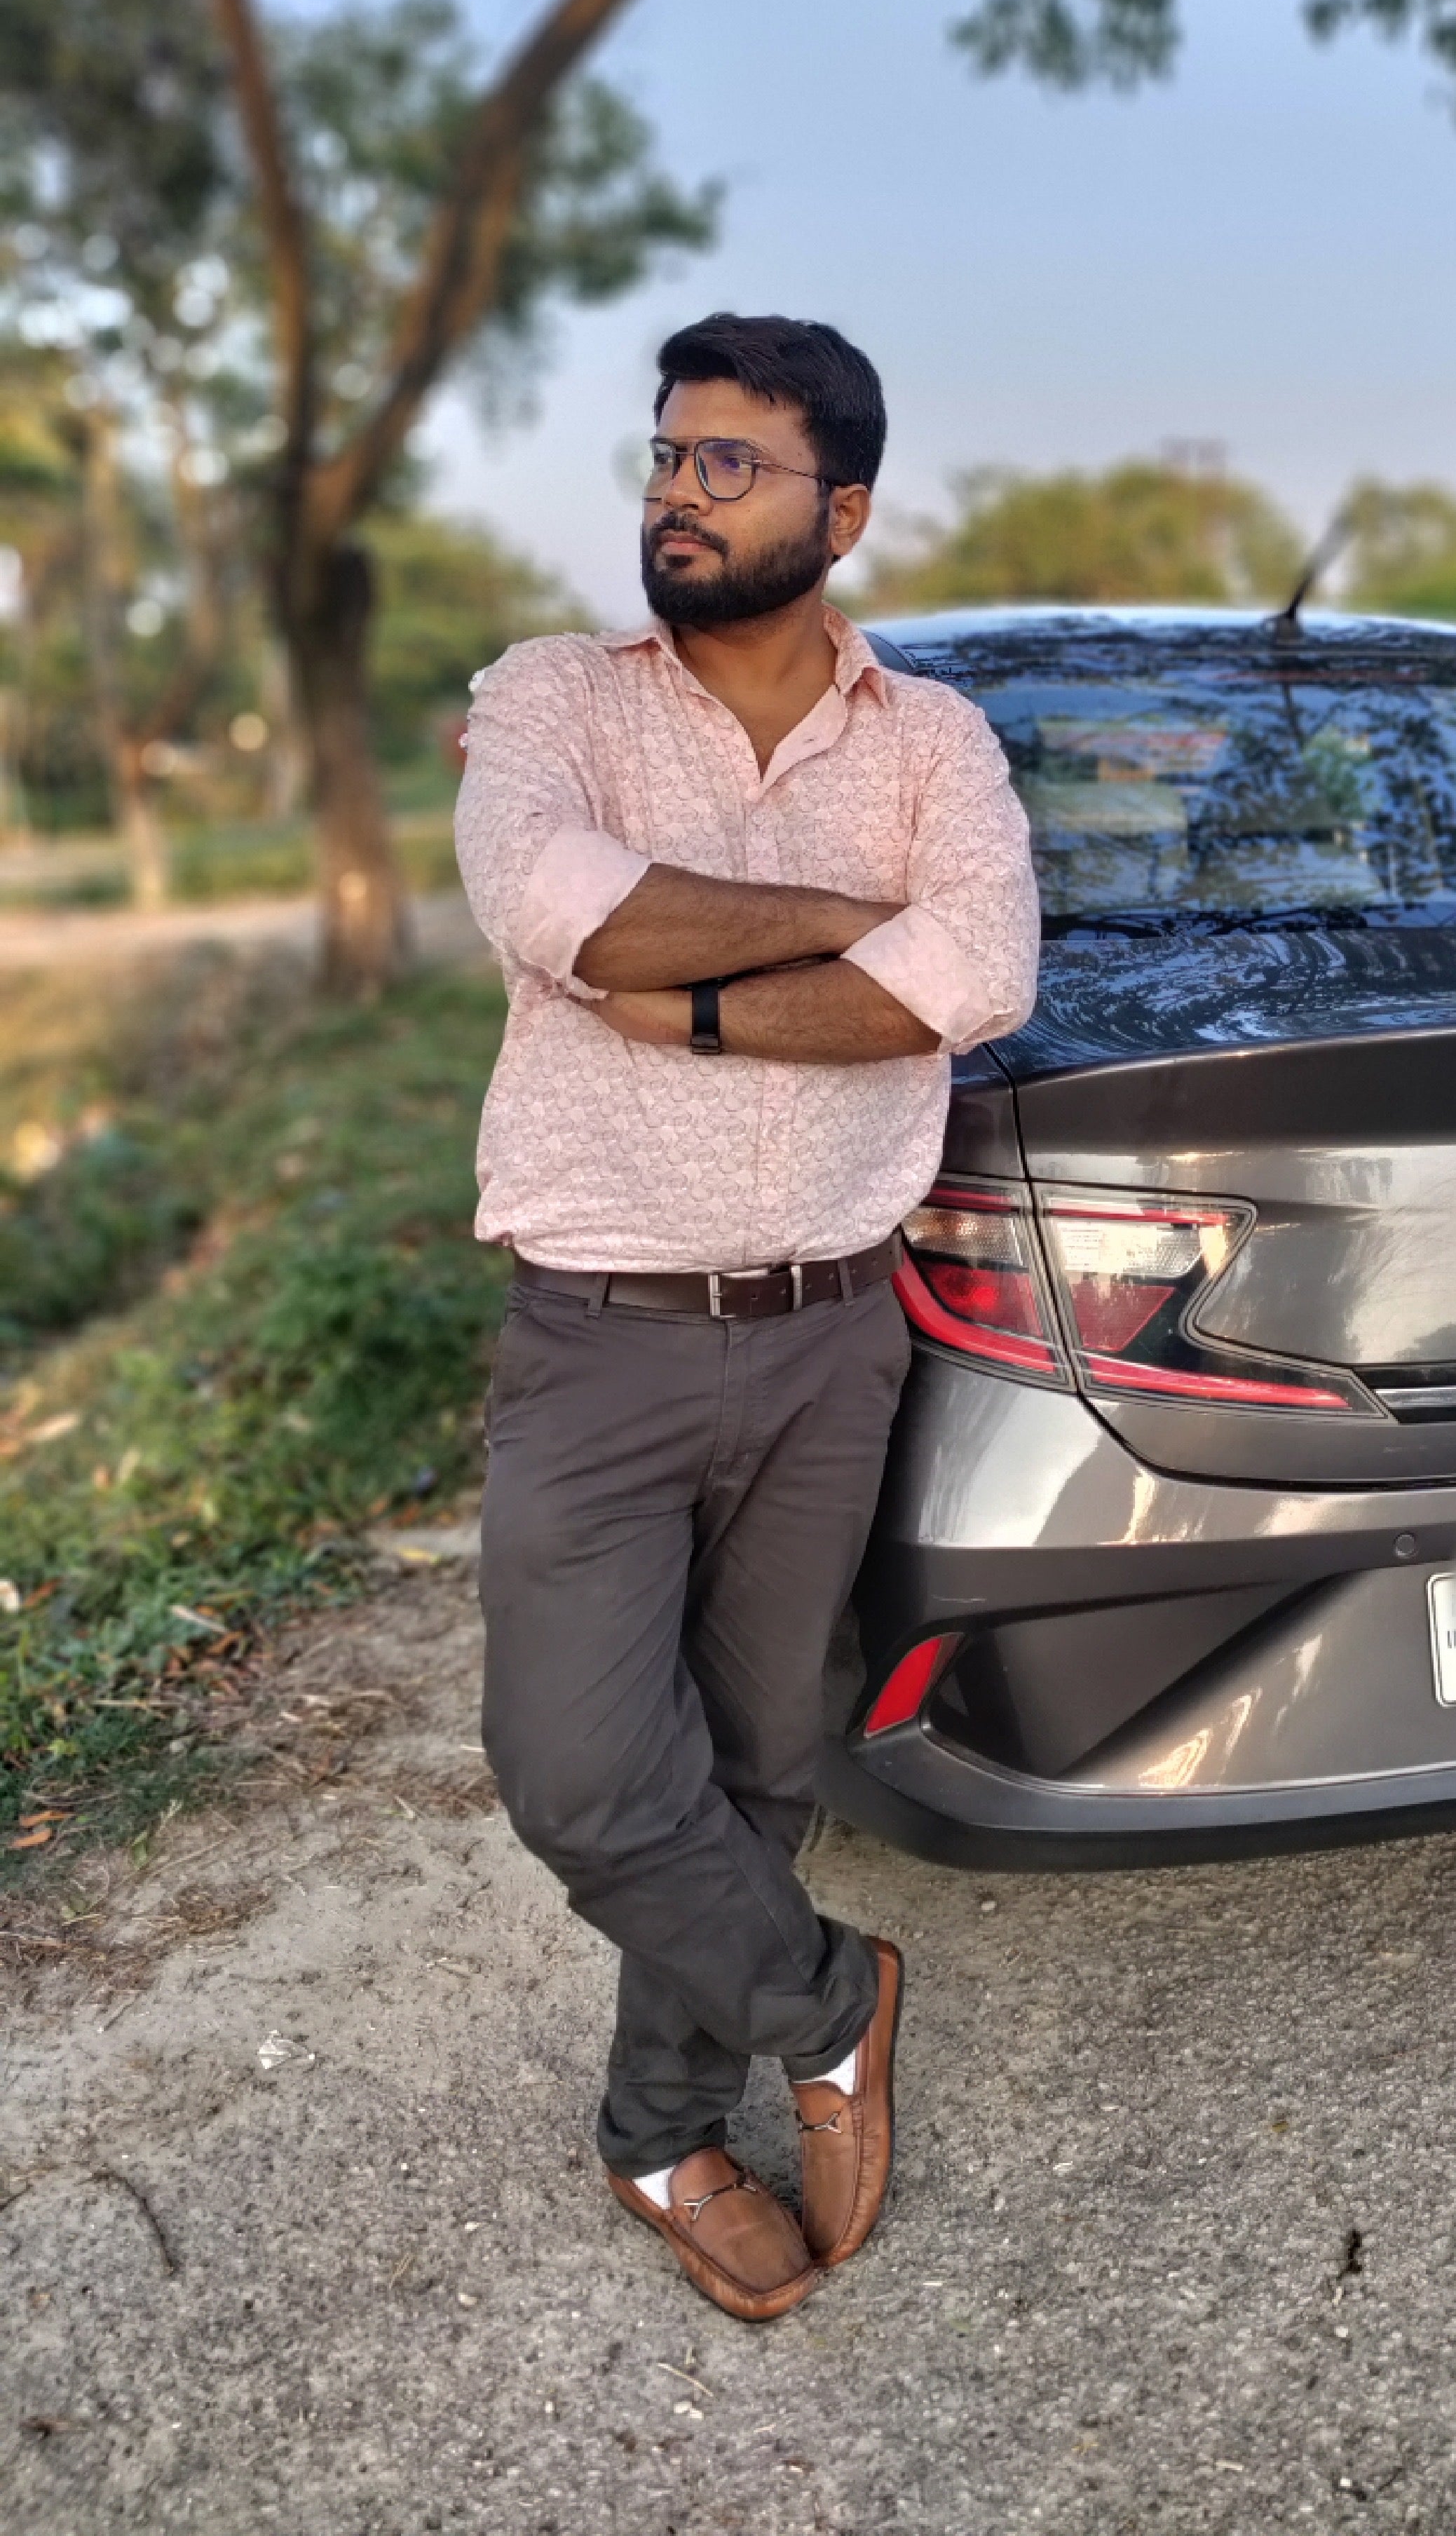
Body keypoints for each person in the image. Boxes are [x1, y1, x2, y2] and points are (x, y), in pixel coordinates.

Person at [454, 312, 1039, 2322]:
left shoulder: (933, 740)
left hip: (831, 1340)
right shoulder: (548, 697)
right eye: (667, 454)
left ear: (840, 512)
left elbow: (986, 972)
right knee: (580, 1776)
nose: (677, 494)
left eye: (729, 464)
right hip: (596, 1334)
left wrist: (692, 999)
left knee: (760, 1764)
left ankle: (661, 2132)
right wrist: (861, 930)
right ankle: (830, 2005)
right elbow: (562, 910)